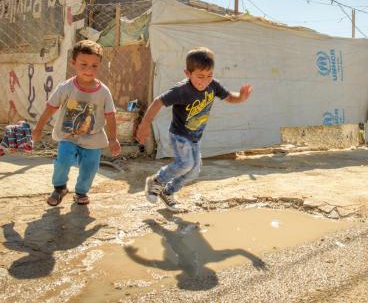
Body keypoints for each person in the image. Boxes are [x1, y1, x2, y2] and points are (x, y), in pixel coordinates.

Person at [136, 47, 252, 212]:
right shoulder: (181, 90)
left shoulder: (213, 86)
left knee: (193, 172)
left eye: (209, 75)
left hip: (195, 137)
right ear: (187, 73)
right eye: (200, 76)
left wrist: (240, 97)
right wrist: (145, 125)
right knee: (185, 164)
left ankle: (168, 192)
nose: (205, 81)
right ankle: (156, 181)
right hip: (180, 135)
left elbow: (229, 98)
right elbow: (157, 102)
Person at [32, 40, 121, 206]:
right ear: (73, 63)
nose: (89, 70)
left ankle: (81, 192)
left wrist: (113, 138)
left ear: (99, 65)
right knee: (63, 160)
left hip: (93, 138)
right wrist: (38, 128)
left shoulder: (103, 91)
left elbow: (110, 115)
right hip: (68, 136)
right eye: (84, 64)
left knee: (90, 167)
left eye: (94, 66)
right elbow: (50, 108)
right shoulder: (66, 88)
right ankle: (59, 188)